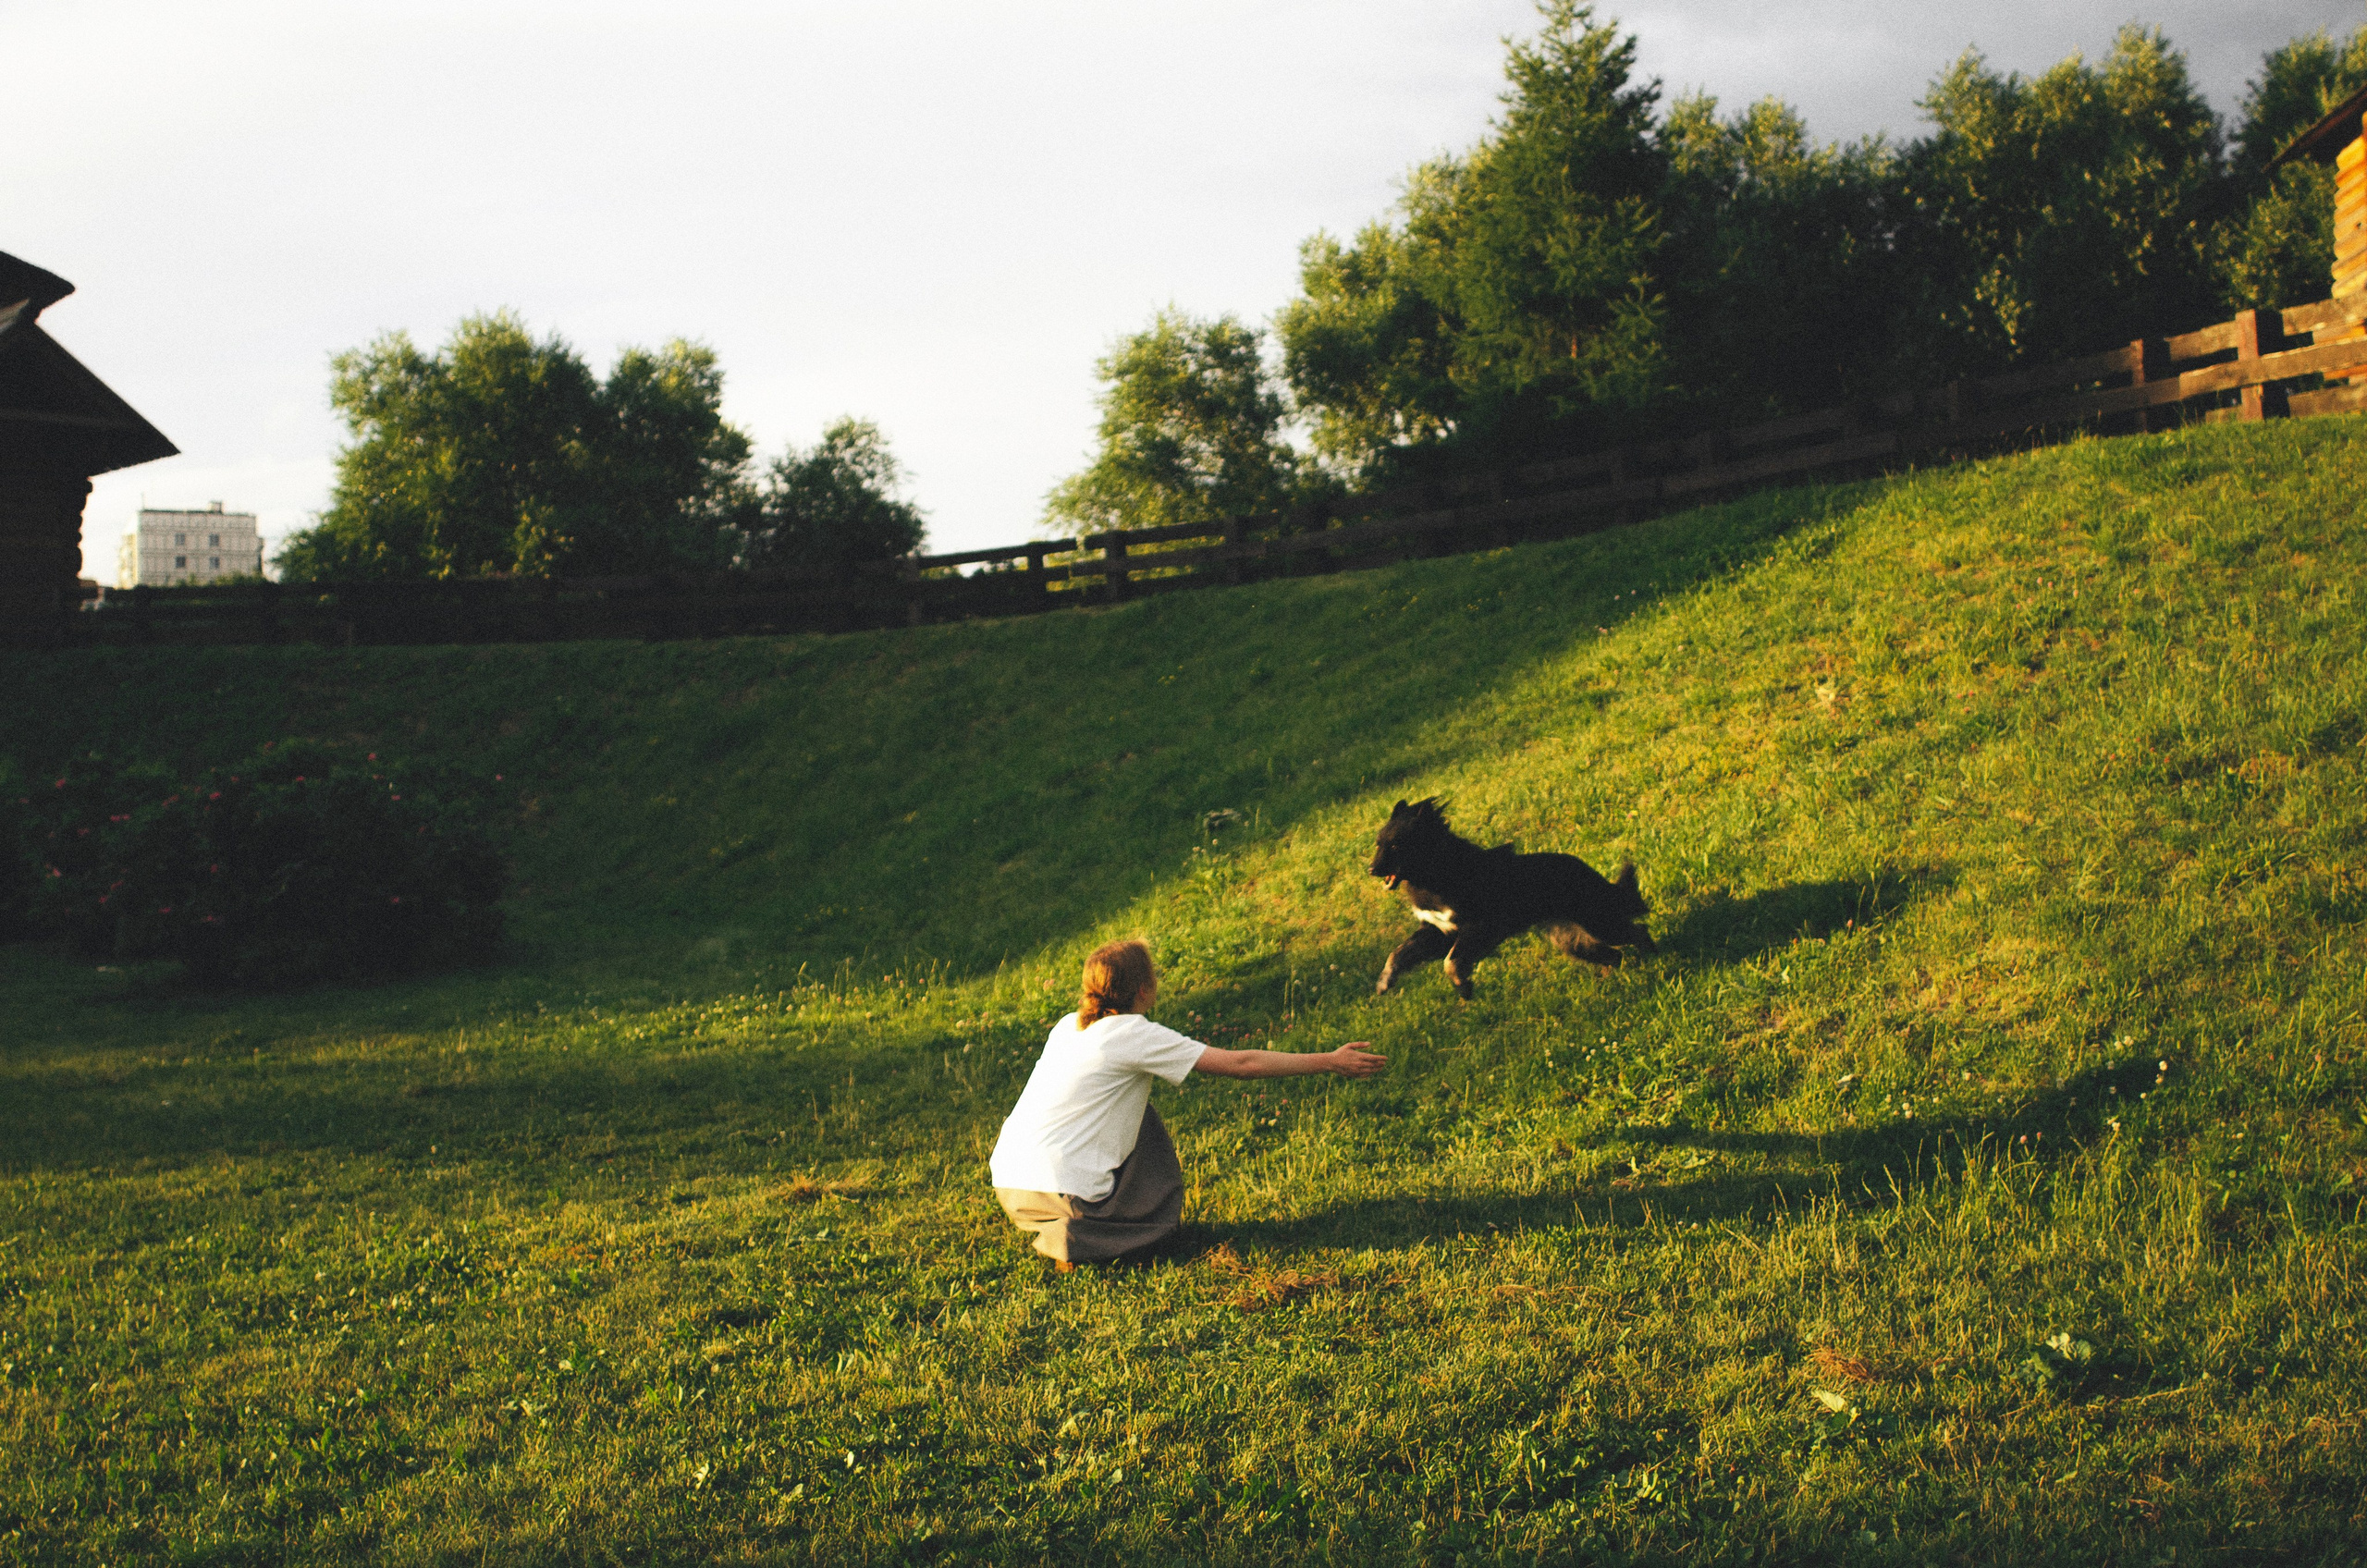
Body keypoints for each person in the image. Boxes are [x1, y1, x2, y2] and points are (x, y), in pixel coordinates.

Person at [989, 937, 1387, 1269]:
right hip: (1060, 1193)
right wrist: (1330, 1061)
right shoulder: (1132, 1033)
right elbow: (1240, 1063)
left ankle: (1083, 1232)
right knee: (1144, 1121)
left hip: (1010, 1183)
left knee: (1135, 1110)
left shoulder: (1068, 1025)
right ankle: (1088, 1238)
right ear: (1143, 990)